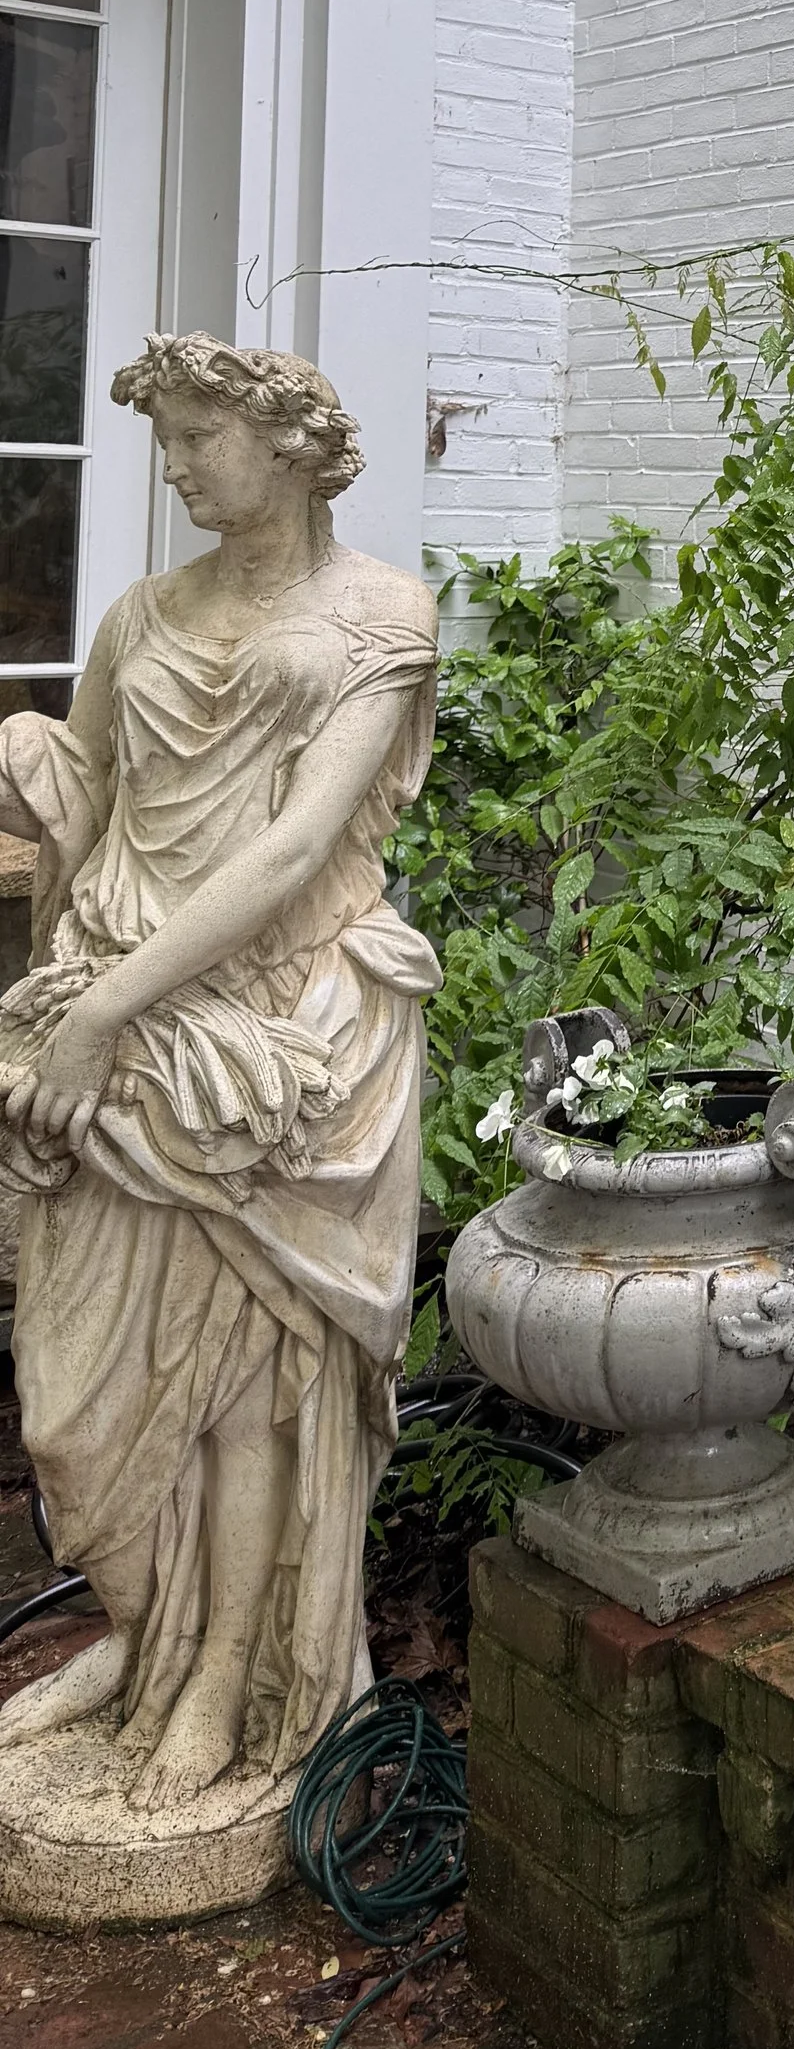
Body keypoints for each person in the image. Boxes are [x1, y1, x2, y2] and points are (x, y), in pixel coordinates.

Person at [0, 339, 436, 1814]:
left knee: (250, 1391)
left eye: (198, 439)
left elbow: (296, 847)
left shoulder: (380, 616)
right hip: (117, 1035)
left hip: (277, 1042)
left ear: (291, 442)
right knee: (76, 1400)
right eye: (167, 442)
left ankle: (228, 1675)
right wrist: (37, 769)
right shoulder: (137, 617)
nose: (176, 467)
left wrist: (101, 1016)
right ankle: (141, 1634)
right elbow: (100, 801)